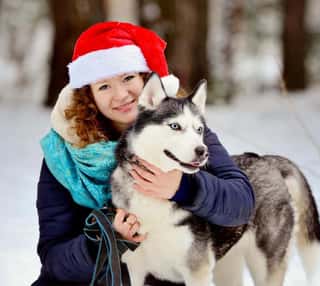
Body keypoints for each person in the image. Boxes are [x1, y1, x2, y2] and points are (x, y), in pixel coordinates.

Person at [32, 21, 255, 286]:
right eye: (103, 86)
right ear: (88, 97)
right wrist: (107, 240)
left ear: (146, 81)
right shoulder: (64, 155)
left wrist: (183, 187)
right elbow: (53, 259)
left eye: (128, 78)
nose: (121, 95)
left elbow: (241, 204)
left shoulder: (186, 133)